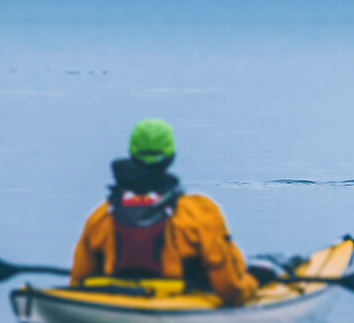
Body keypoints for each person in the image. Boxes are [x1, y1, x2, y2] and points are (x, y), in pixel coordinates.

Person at [70, 118, 260, 306]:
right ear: (171, 158)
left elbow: (77, 281)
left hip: (114, 309)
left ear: (131, 154)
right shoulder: (199, 212)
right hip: (181, 310)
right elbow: (231, 290)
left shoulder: (102, 216)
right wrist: (254, 284)